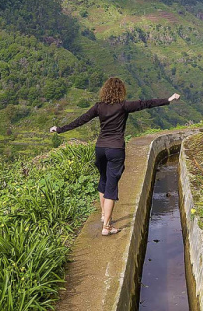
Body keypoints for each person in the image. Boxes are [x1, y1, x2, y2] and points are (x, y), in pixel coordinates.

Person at [50, 77, 180, 236]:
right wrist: (168, 99)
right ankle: (107, 227)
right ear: (121, 91)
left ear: (104, 90)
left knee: (103, 181)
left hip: (100, 148)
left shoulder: (98, 107)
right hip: (115, 149)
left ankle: (104, 215)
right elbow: (146, 103)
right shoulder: (123, 106)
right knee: (111, 186)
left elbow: (81, 120)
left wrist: (60, 129)